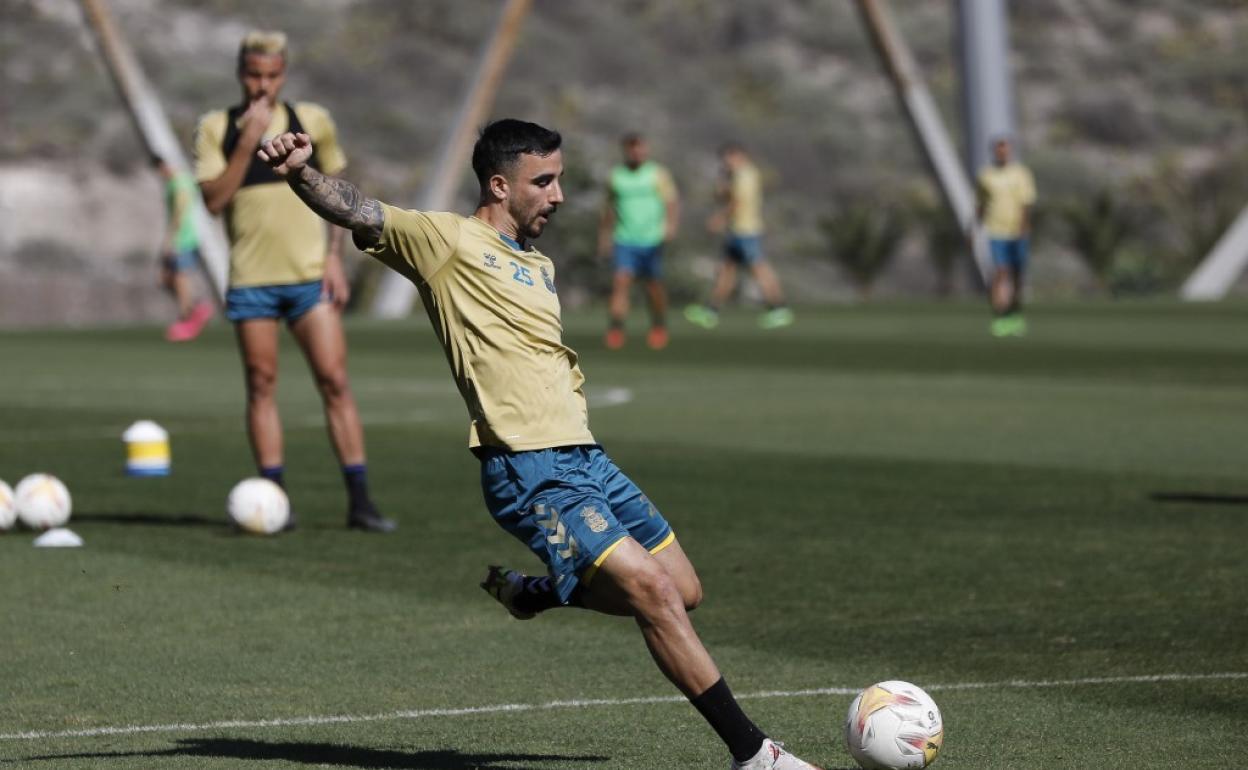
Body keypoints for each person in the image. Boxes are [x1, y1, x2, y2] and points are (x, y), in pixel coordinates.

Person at [256, 119, 821, 770]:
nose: (557, 196)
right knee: (654, 597)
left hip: (587, 458)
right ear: (499, 185)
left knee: (683, 589)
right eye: (543, 182)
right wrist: (301, 170)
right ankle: (755, 755)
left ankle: (538, 593)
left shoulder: (539, 265)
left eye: (560, 180)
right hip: (528, 471)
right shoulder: (445, 241)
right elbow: (358, 207)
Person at [193, 30, 394, 532]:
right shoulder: (217, 127)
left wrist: (333, 257)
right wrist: (246, 141)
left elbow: (334, 192)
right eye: (254, 75)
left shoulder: (313, 121)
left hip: (309, 278)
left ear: (284, 74)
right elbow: (214, 201)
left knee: (335, 382)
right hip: (252, 280)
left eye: (272, 76)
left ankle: (361, 501)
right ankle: (274, 501)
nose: (262, 86)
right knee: (261, 385)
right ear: (241, 73)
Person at [685, 143, 793, 331]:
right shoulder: (735, 176)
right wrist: (722, 185)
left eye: (729, 158)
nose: (726, 162)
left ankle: (779, 308)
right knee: (726, 270)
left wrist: (719, 218)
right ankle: (711, 311)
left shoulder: (746, 175)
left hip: (747, 231)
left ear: (739, 156)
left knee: (759, 269)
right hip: (736, 230)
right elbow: (724, 196)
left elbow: (738, 202)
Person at [598, 133, 679, 350]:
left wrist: (670, 227)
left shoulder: (657, 174)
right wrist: (604, 237)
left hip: (652, 239)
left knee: (653, 287)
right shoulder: (616, 176)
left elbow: (671, 202)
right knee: (621, 281)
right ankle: (616, 329)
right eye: (633, 149)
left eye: (641, 148)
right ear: (626, 150)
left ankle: (659, 325)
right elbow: (608, 209)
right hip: (625, 239)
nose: (638, 153)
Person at [976, 137, 1036, 337]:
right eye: (999, 150)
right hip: (996, 231)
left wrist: (1024, 227)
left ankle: (1015, 315)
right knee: (1001, 272)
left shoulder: (1020, 174)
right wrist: (974, 228)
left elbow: (1026, 203)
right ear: (995, 152)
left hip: (1017, 233)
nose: (1002, 153)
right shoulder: (986, 175)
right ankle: (1000, 316)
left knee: (1017, 275)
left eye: (1006, 150)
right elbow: (981, 204)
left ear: (1010, 152)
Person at [153, 155, 213, 342]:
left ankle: (187, 317)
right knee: (166, 278)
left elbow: (179, 213)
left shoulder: (178, 183)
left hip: (183, 239)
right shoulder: (182, 180)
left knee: (179, 277)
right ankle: (195, 309)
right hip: (186, 237)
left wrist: (170, 241)